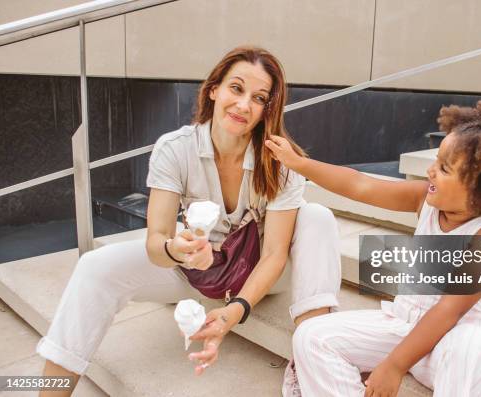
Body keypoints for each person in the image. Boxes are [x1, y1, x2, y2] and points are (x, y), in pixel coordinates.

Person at [36, 46, 342, 396]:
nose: (244, 105)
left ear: (266, 109)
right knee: (94, 266)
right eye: (236, 89)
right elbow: (156, 242)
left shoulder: (279, 161)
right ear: (214, 89)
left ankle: (316, 365)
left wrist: (235, 311)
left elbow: (274, 255)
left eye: (258, 98)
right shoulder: (175, 149)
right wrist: (177, 251)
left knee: (317, 217)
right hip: (196, 269)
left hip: (259, 273)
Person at [266, 96, 481, 396]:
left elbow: (448, 312)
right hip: (402, 327)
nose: (430, 171)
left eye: (444, 168)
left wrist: (394, 366)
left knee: (473, 346)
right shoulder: (424, 201)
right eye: (436, 161)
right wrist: (299, 163)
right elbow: (360, 185)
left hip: (453, 345)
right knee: (311, 336)